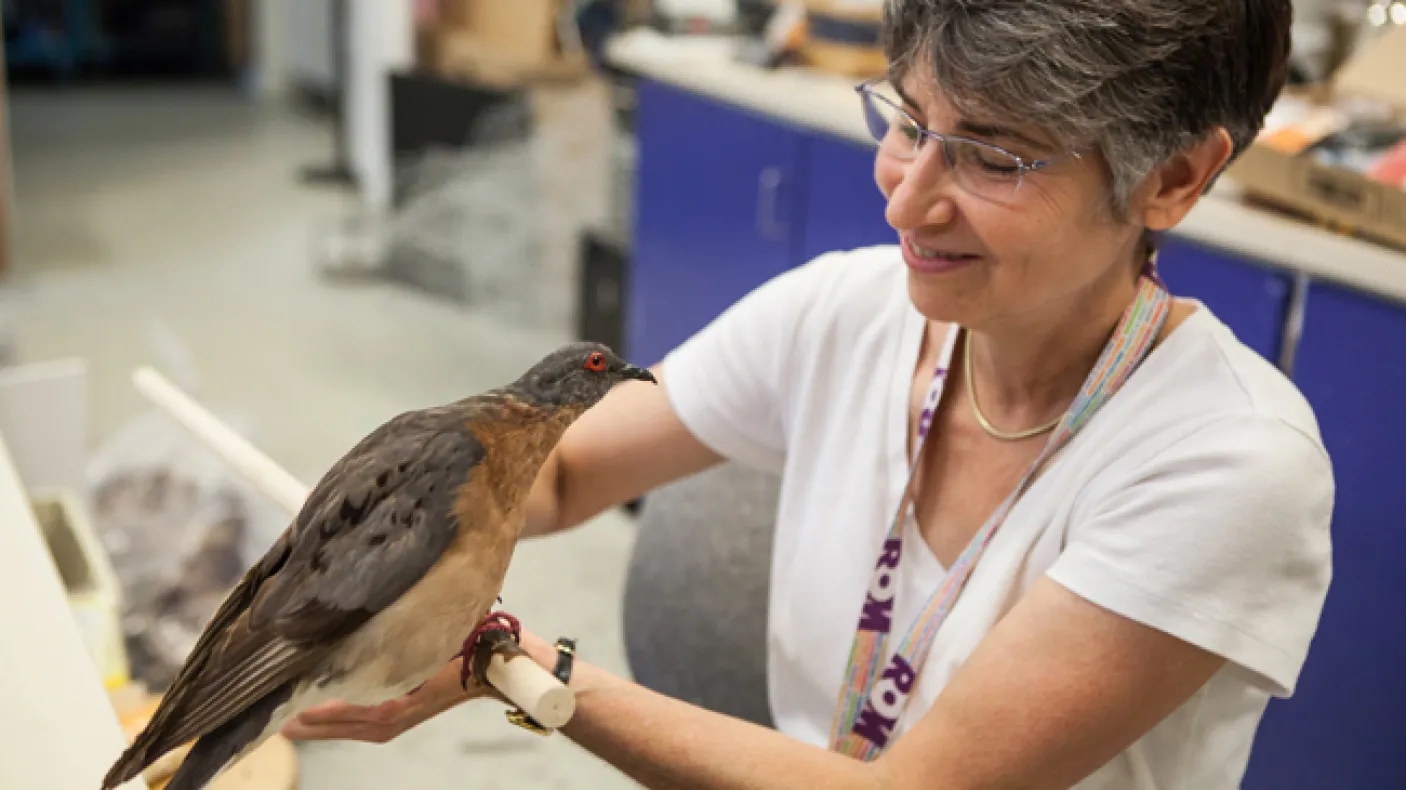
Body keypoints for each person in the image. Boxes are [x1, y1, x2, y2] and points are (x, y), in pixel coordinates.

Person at [283, 0, 1334, 787]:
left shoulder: (1229, 465)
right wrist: (335, 549)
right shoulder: (849, 312)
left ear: (1173, 178)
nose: (908, 203)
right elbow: (546, 482)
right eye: (907, 121)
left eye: (995, 159)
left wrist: (515, 668)